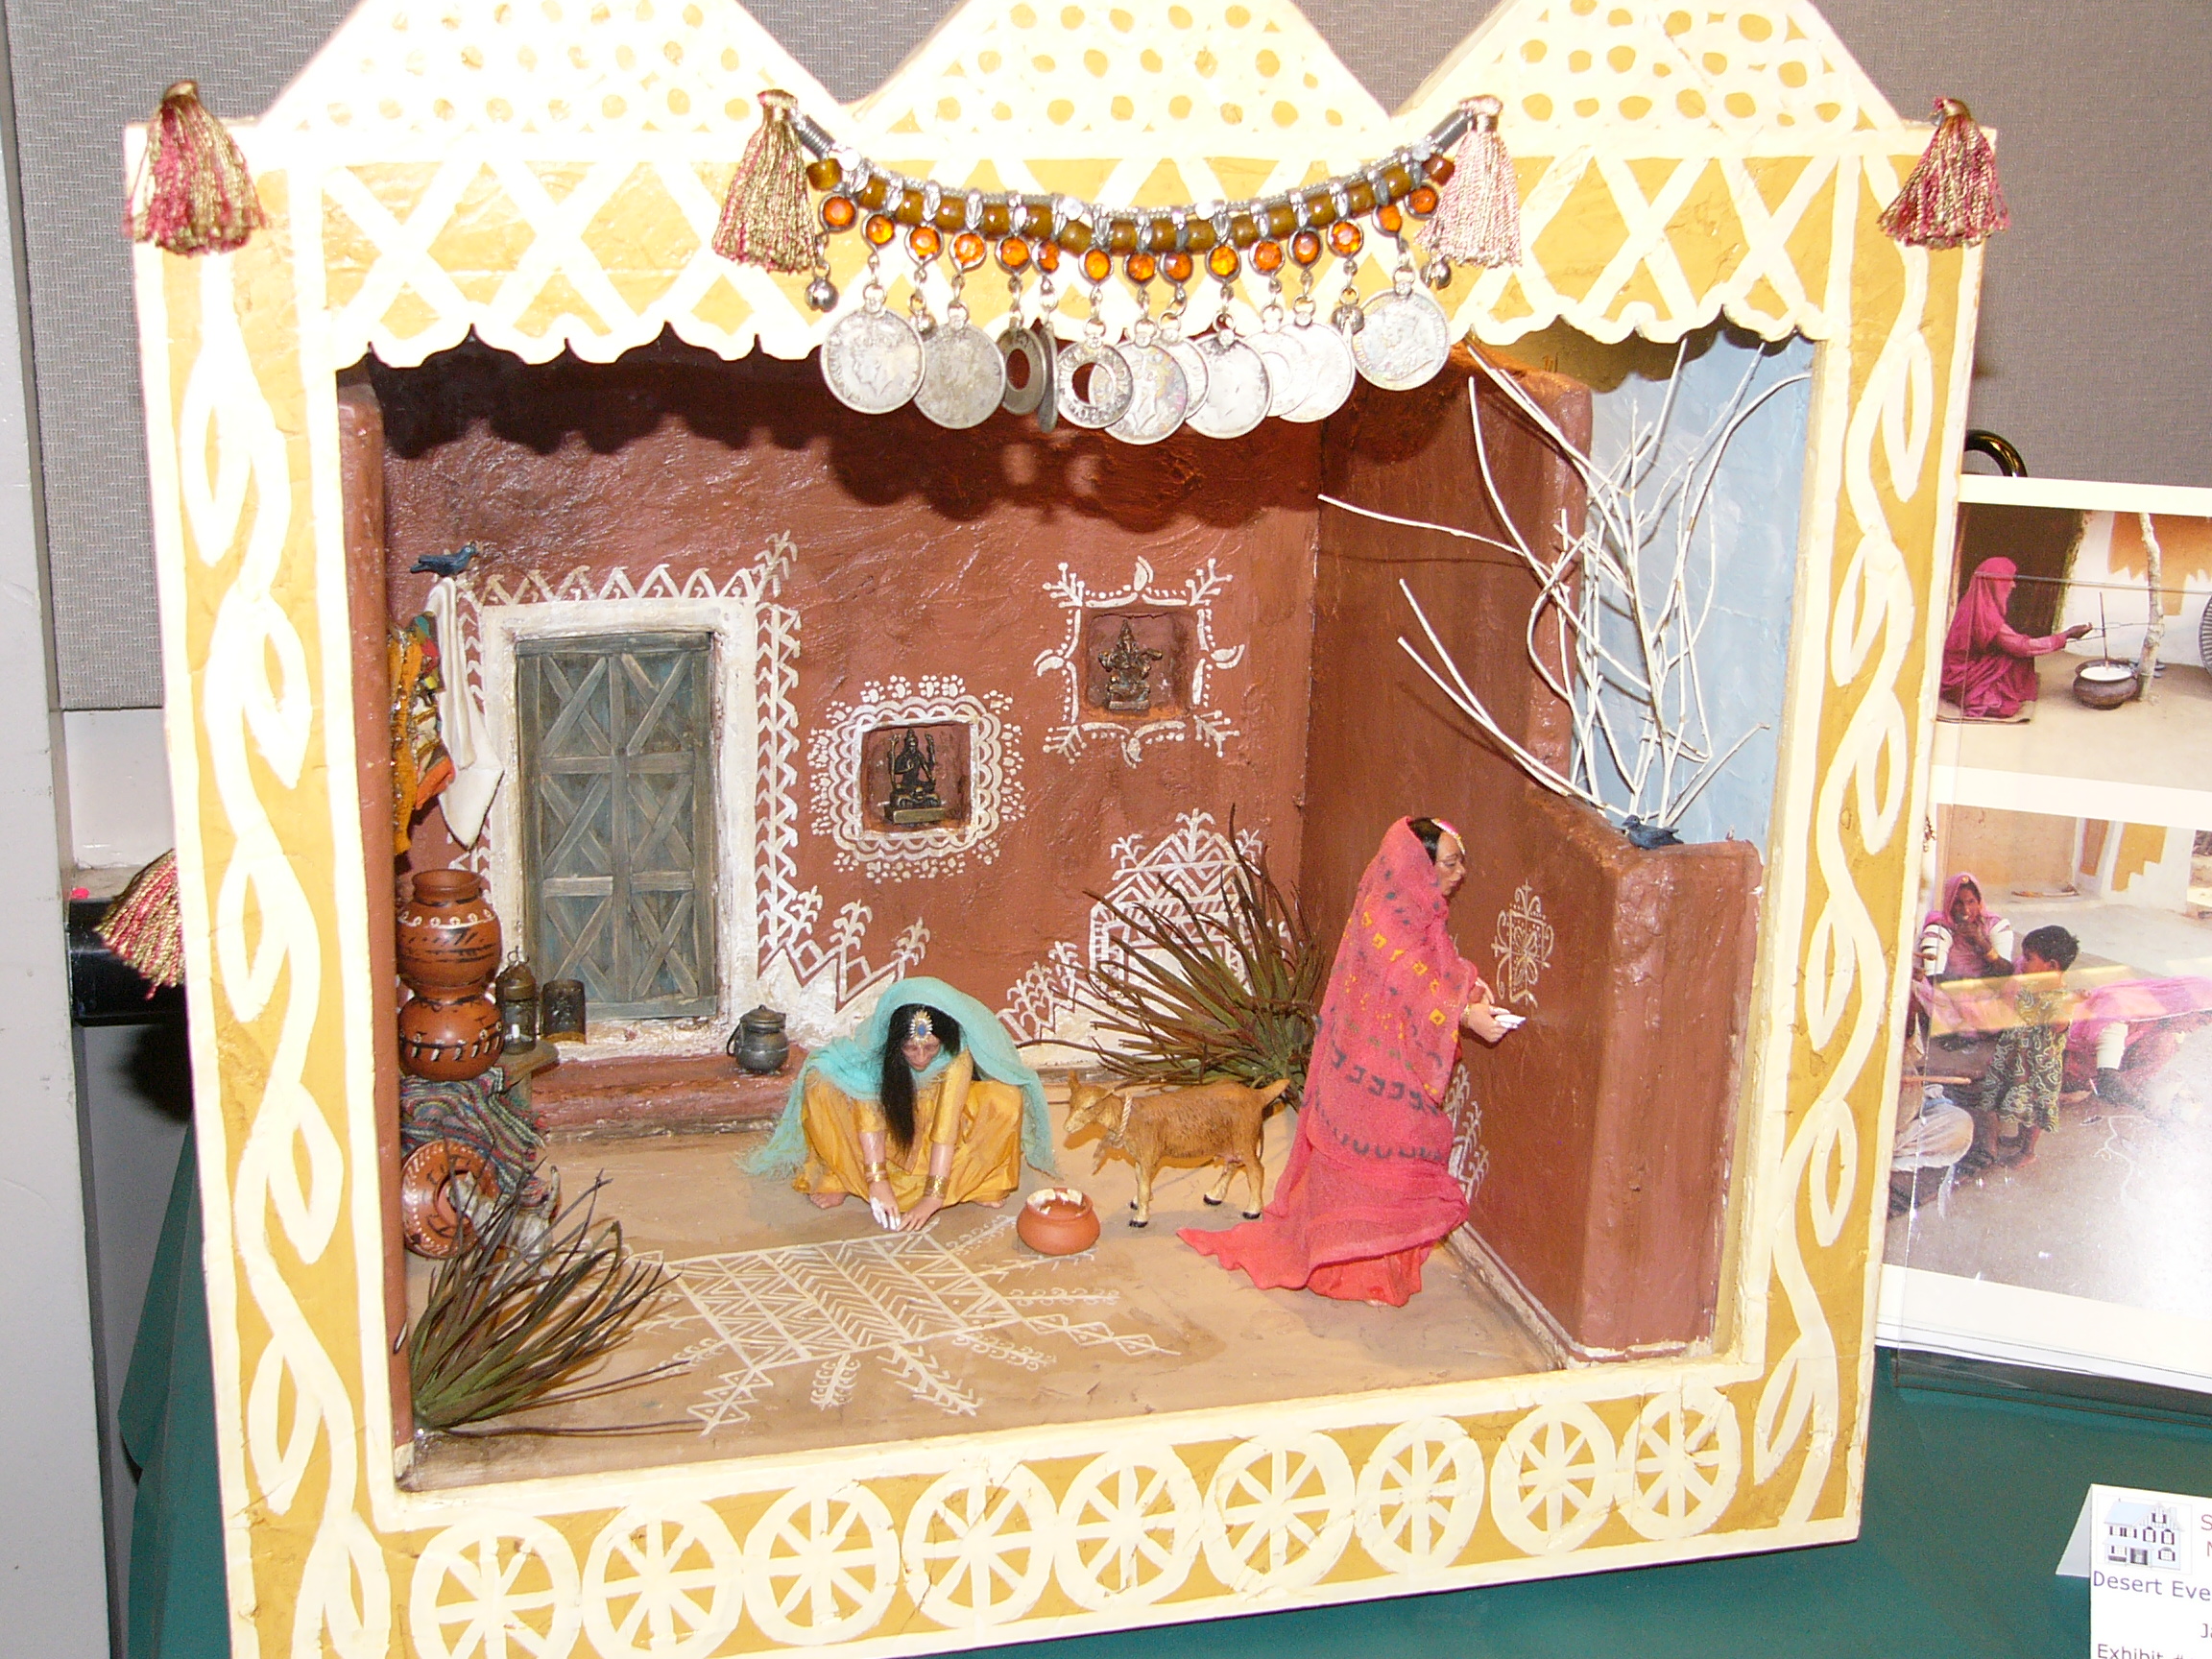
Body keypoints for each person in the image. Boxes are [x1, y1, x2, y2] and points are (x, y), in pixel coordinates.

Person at [1180, 816, 1510, 1307]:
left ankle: (1383, 1268)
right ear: (1417, 867)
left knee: (1398, 1162)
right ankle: (1351, 1274)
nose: (1460, 873)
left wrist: (1467, 988)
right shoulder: (1385, 916)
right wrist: (1465, 1014)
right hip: (1368, 1065)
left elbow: (1433, 967)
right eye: (1449, 863)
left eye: (1461, 862)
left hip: (1397, 1060)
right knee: (1369, 1165)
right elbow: (1409, 977)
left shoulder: (1420, 909)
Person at [747, 976, 1054, 1232]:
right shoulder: (875, 1046)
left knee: (1005, 1100)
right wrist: (877, 1181)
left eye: (930, 1048)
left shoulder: (955, 1054)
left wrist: (933, 1198)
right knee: (820, 1083)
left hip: (936, 1138)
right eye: (910, 1049)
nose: (921, 1058)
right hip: (883, 1135)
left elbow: (946, 1127)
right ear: (895, 1044)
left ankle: (974, 1184)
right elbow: (869, 1114)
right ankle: (842, 1176)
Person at [1966, 925, 2079, 1169]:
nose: (2023, 962)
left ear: (2051, 966)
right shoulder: (2030, 986)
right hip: (2017, 1056)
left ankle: (2028, 1151)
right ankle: (2019, 1137)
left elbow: (2059, 1026)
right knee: (2018, 1101)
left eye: (2029, 958)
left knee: (2034, 1109)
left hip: (2039, 1068)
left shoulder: (2061, 999)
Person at [1938, 556, 2092, 721]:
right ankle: (1983, 697)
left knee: (2013, 658)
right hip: (1959, 677)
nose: (2013, 585)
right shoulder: (1986, 617)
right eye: (2009, 580)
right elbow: (2023, 647)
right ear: (1995, 583)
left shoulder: (1974, 603)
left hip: (1958, 668)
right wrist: (2066, 635)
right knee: (2014, 664)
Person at [1918, 872, 2015, 985]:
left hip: (1989, 991)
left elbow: (2006, 973)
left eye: (1971, 902)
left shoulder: (1993, 925)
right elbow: (1933, 978)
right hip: (1951, 992)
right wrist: (1969, 986)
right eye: (1958, 903)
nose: (1966, 910)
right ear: (1949, 904)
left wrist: (1982, 943)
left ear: (1979, 903)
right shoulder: (1939, 928)